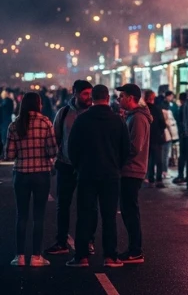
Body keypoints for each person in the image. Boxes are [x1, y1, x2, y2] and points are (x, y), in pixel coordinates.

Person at [66, 85, 130, 268]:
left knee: (84, 215)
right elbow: (126, 149)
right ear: (108, 97)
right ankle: (110, 256)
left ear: (92, 98)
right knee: (109, 216)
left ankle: (82, 256)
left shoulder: (82, 119)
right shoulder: (118, 121)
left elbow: (72, 148)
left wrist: (79, 166)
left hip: (86, 174)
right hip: (110, 175)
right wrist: (117, 166)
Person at [5, 92, 58, 267]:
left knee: (21, 215)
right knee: (39, 216)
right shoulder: (45, 122)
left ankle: (19, 256)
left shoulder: (14, 125)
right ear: (38, 104)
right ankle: (36, 256)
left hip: (21, 174)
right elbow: (52, 151)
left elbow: (9, 154)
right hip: (41, 174)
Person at [45, 80, 94, 256]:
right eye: (85, 94)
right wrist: (53, 160)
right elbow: (55, 138)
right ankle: (61, 241)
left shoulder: (95, 113)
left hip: (88, 167)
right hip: (65, 165)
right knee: (63, 205)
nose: (89, 97)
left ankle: (89, 240)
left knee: (87, 206)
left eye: (90, 93)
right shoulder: (63, 113)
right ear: (75, 93)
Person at [117, 84, 152, 264]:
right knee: (129, 210)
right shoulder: (132, 117)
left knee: (130, 210)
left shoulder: (138, 119)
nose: (118, 99)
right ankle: (134, 249)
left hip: (132, 169)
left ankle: (135, 250)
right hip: (130, 169)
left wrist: (117, 154)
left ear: (131, 98)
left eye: (121, 96)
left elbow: (134, 147)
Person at [143, 89, 167, 188]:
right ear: (152, 98)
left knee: (149, 159)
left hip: (145, 138)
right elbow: (163, 124)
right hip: (156, 138)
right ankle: (159, 179)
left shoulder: (142, 110)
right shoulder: (157, 109)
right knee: (158, 159)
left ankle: (150, 176)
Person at [173, 91, 188, 184]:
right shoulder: (187, 107)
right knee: (186, 156)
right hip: (187, 135)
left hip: (183, 134)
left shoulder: (181, 108)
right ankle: (184, 175)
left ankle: (181, 175)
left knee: (182, 156)